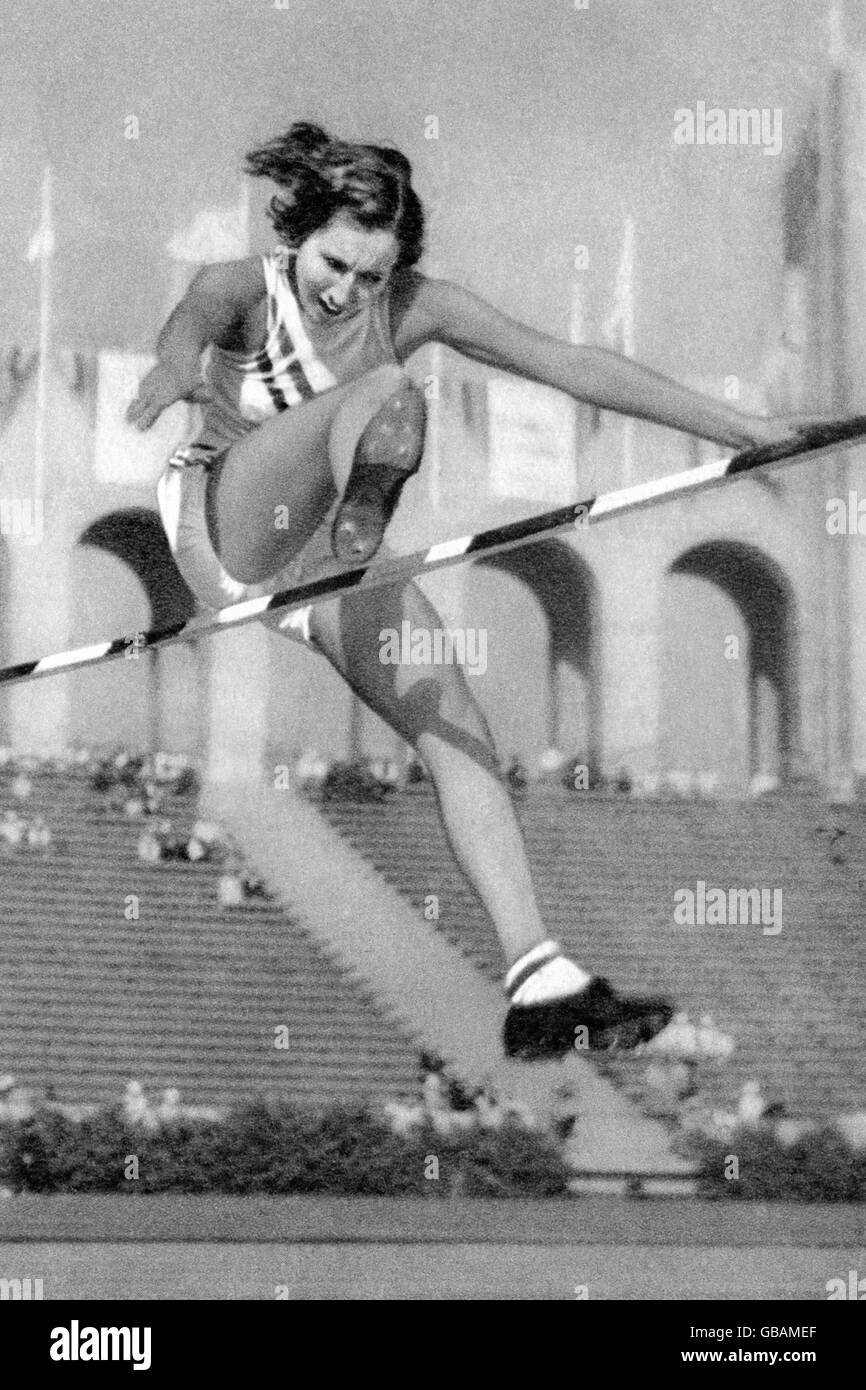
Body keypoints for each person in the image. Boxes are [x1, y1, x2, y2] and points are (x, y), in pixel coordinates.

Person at [131, 121, 810, 1061]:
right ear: (298, 232)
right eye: (335, 264)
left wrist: (738, 424)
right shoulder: (242, 288)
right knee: (385, 397)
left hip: (326, 558)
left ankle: (538, 977)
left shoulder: (418, 305)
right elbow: (187, 326)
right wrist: (173, 365)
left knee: (459, 732)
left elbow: (569, 365)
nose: (348, 293)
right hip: (228, 518)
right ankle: (368, 502)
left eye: (373, 278)